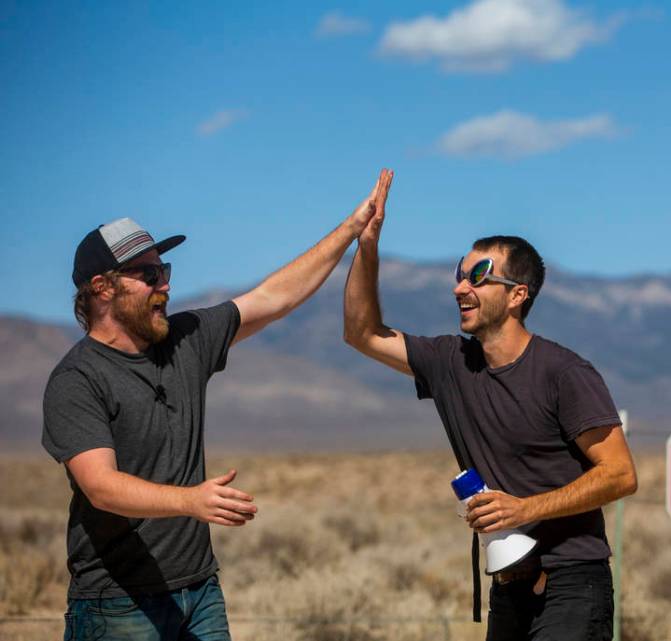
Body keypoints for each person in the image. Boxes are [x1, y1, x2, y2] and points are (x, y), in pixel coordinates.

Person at [42, 169, 393, 641]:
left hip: (200, 593)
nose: (163, 285)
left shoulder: (184, 340)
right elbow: (101, 488)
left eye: (163, 271)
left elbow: (273, 297)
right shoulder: (77, 379)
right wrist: (191, 500)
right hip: (117, 606)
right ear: (103, 288)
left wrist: (352, 229)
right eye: (148, 275)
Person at [343, 173, 638, 641]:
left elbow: (620, 474)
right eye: (459, 276)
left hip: (572, 583)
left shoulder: (564, 373)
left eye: (478, 277)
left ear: (518, 295)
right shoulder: (449, 362)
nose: (461, 288)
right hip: (508, 583)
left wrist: (525, 509)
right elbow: (362, 333)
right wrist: (367, 246)